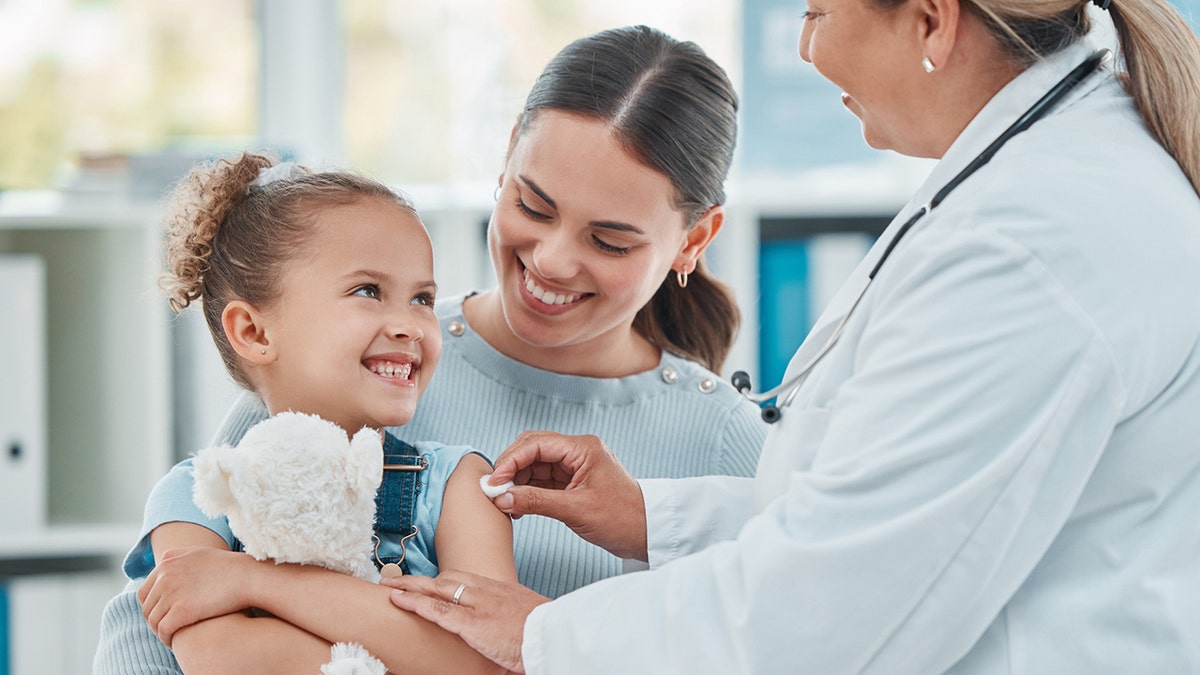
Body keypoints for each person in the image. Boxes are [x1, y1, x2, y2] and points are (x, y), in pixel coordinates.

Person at [385, 1, 1200, 673]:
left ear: (931, 21)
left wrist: (543, 636)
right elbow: (885, 516)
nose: (806, 46)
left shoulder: (1030, 244)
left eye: (814, 11)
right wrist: (650, 515)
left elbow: (837, 604)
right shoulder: (1043, 186)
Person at [97, 24, 766, 673]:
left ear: (693, 239)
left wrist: (264, 591)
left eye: (610, 241)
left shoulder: (725, 445)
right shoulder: (350, 368)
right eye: (534, 206)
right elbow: (152, 620)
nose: (554, 260)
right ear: (507, 158)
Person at [94, 152, 516, 674]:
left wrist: (251, 580)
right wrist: (410, 644)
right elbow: (224, 657)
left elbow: (488, 660)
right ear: (254, 332)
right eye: (368, 291)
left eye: (423, 298)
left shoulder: (461, 485)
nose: (410, 325)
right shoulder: (197, 496)